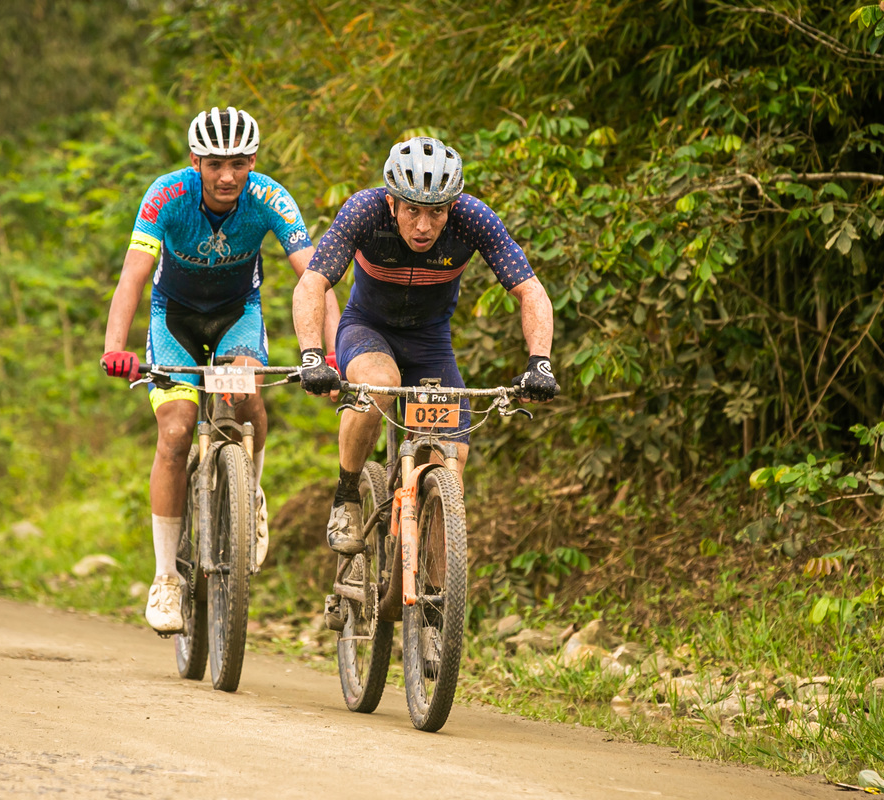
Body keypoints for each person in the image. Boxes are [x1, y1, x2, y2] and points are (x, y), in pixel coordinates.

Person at [101, 106, 339, 632]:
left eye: (238, 163)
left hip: (237, 316)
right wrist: (115, 346)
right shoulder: (166, 194)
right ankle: (166, 578)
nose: (227, 176)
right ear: (195, 162)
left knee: (246, 393)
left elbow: (315, 278)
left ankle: (248, 493)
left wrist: (333, 352)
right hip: (174, 319)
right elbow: (133, 275)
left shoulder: (270, 197)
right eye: (215, 164)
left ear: (253, 161)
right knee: (176, 430)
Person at [292, 136, 559, 556]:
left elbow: (530, 290)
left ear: (452, 206)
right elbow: (313, 282)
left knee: (449, 463)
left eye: (436, 212)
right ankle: (346, 497)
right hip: (367, 329)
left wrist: (539, 362)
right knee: (380, 385)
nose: (423, 226)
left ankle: (434, 588)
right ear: (392, 203)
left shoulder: (474, 219)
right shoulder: (364, 211)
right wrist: (312, 355)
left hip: (431, 342)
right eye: (412, 210)